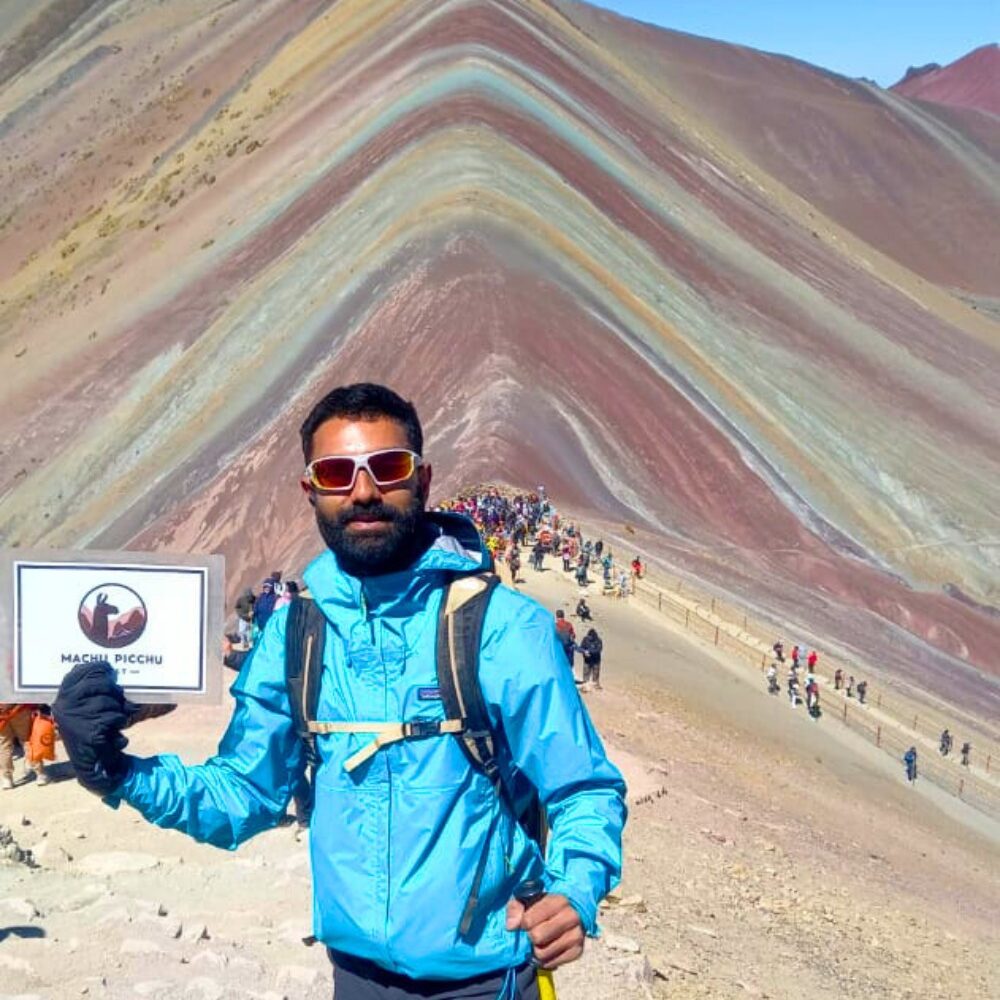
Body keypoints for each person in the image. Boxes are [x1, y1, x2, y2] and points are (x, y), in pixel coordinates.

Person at [52, 382, 626, 999]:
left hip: (486, 978)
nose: (363, 491)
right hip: (353, 975)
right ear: (311, 490)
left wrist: (574, 889)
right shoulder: (295, 633)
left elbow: (584, 787)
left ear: (423, 479)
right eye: (336, 472)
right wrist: (119, 772)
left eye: (388, 467)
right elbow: (246, 791)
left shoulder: (504, 628)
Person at [1, 704, 50, 789]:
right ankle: (40, 774)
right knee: (27, 741)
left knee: (4, 747)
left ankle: (7, 779)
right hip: (19, 709)